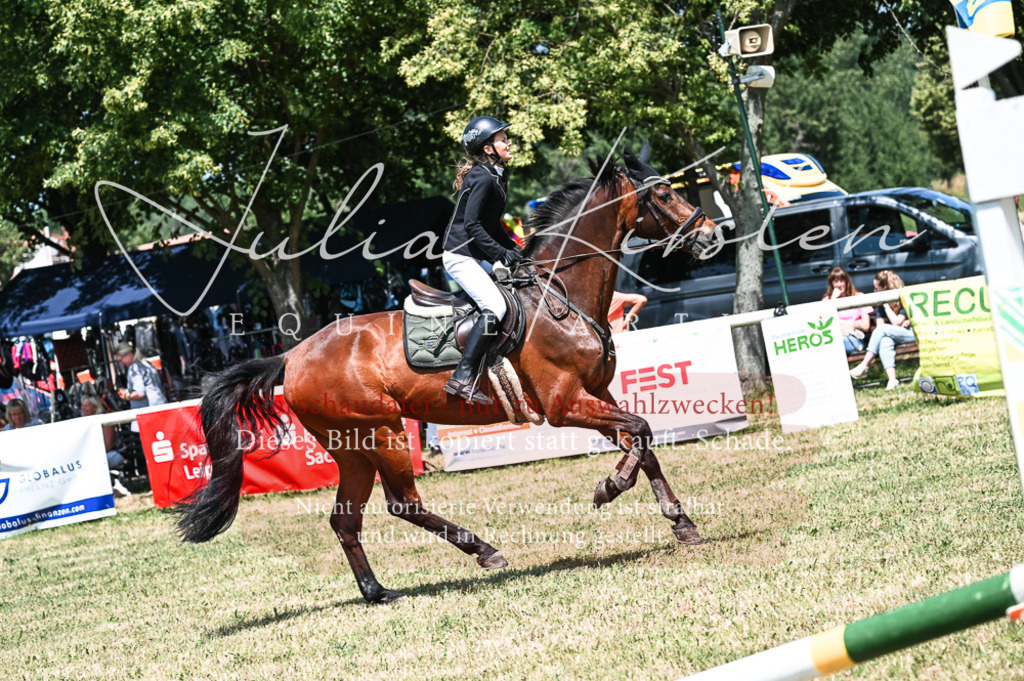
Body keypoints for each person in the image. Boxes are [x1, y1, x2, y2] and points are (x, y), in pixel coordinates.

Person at [440, 116, 523, 405]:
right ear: (489, 149)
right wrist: (501, 254)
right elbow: (474, 226)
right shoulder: (483, 177)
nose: (508, 142)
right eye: (502, 139)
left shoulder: (497, 176)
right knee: (496, 305)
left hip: (475, 255)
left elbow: (493, 225)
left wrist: (516, 250)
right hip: (460, 257)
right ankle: (462, 375)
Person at [850, 270, 915, 390]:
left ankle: (864, 365)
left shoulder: (903, 297)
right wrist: (884, 306)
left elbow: (897, 322)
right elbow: (880, 326)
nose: (874, 291)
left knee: (884, 331)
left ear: (885, 287)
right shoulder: (881, 302)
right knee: (885, 340)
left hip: (912, 332)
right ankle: (892, 380)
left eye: (876, 288)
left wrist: (886, 306)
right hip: (896, 334)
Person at [80, 395, 132, 497]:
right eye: (82, 406)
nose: (83, 408)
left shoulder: (105, 420)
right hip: (97, 454)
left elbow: (108, 445)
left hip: (114, 453)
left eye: (86, 406)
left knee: (93, 462)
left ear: (95, 407)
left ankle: (114, 486)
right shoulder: (84, 422)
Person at [823, 267, 872, 354]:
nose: (839, 284)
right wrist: (833, 299)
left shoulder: (858, 297)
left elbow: (866, 326)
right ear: (831, 284)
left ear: (847, 281)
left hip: (853, 337)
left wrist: (841, 323)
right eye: (836, 282)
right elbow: (823, 323)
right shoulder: (827, 301)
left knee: (836, 344)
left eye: (842, 281)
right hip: (834, 337)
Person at [113, 342, 167, 410]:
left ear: (128, 354)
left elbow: (139, 393)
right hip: (160, 405)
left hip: (148, 410)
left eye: (120, 360)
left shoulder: (134, 368)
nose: (121, 363)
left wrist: (126, 396)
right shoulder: (146, 363)